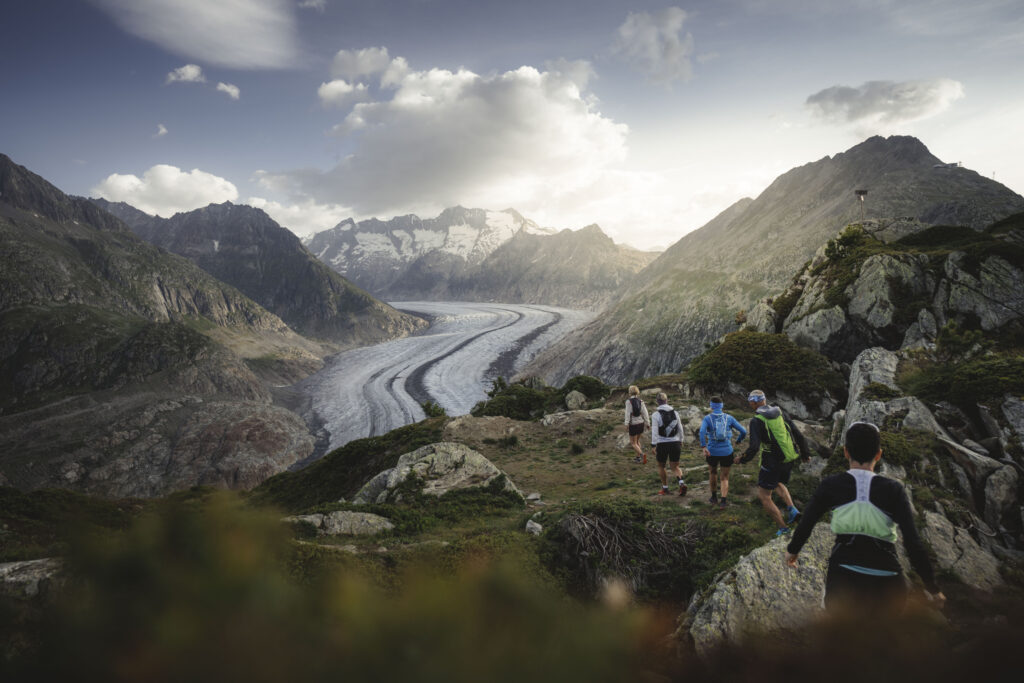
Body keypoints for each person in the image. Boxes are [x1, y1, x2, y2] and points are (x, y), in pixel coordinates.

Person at [785, 421, 945, 613]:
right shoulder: (894, 490)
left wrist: (793, 551)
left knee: (842, 638)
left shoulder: (831, 485)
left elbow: (806, 523)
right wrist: (932, 587)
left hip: (844, 576)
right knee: (883, 640)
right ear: (878, 454)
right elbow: (913, 542)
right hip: (888, 581)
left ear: (845, 452)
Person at [735, 389, 808, 535]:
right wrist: (805, 453)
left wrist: (742, 459)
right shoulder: (780, 413)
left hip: (771, 463)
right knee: (778, 483)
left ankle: (783, 528)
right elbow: (798, 434)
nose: (749, 404)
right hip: (789, 458)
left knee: (764, 496)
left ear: (755, 402)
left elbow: (754, 446)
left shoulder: (756, 421)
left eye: (750, 401)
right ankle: (792, 509)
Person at [699, 396, 747, 507]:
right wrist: (738, 441)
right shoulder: (729, 418)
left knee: (713, 473)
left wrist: (703, 446)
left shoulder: (707, 418)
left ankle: (714, 498)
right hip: (727, 451)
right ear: (722, 406)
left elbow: (702, 432)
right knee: (725, 476)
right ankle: (724, 500)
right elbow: (743, 431)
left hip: (712, 451)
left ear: (711, 406)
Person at [651, 392, 687, 496]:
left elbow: (654, 431)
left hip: (662, 444)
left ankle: (665, 488)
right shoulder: (675, 413)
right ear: (667, 400)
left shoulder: (655, 415)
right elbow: (680, 427)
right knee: (675, 466)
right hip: (675, 442)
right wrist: (681, 440)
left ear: (657, 402)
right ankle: (681, 483)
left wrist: (653, 445)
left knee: (661, 466)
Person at [624, 385, 651, 464]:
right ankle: (638, 457)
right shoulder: (641, 401)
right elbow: (645, 413)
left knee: (633, 443)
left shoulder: (629, 401)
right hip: (641, 423)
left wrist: (626, 423)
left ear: (630, 392)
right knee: (637, 441)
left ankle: (643, 455)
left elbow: (627, 413)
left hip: (633, 424)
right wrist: (648, 423)